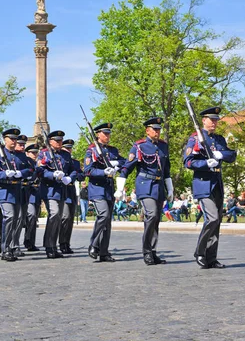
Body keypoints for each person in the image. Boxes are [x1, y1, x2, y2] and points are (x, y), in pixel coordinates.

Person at [183, 107, 237, 269]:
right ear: (203, 120)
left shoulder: (219, 139)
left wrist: (221, 155)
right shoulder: (195, 139)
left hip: (217, 183)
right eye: (211, 119)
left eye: (216, 120)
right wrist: (205, 163)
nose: (214, 122)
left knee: (217, 222)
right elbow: (188, 162)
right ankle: (200, 252)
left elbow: (231, 155)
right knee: (212, 218)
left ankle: (211, 258)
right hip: (203, 183)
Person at [117, 117, 172, 265]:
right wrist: (120, 187)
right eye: (154, 129)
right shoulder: (139, 146)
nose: (157, 132)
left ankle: (153, 251)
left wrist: (170, 186)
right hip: (145, 184)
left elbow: (166, 168)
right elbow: (127, 167)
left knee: (156, 220)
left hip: (159, 186)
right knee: (151, 214)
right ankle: (146, 251)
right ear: (147, 130)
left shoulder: (163, 146)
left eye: (159, 129)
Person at [0, 128, 38, 262]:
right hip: (4, 191)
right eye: (11, 139)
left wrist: (21, 173)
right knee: (9, 217)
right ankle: (5, 249)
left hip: (17, 190)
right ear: (5, 139)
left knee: (16, 220)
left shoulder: (20, 155)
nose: (14, 141)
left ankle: (11, 246)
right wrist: (4, 174)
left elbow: (31, 168)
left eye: (15, 139)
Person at [84, 122, 125, 262]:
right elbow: (88, 170)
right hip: (97, 188)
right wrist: (103, 172)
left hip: (109, 188)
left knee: (107, 221)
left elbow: (124, 162)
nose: (107, 135)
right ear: (98, 134)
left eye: (109, 133)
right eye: (105, 133)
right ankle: (93, 244)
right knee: (103, 215)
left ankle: (104, 252)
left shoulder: (113, 150)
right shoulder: (91, 150)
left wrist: (116, 165)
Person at [39, 130, 76, 259]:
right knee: (54, 214)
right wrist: (52, 175)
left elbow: (73, 170)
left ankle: (53, 246)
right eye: (57, 140)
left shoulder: (66, 155)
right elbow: (40, 171)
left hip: (62, 191)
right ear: (50, 141)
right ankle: (49, 246)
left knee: (58, 218)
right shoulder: (43, 154)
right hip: (49, 190)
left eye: (61, 140)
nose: (60, 142)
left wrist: (70, 178)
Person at [59, 139, 84, 255]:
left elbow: (81, 175)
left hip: (71, 190)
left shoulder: (75, 162)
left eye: (70, 148)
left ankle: (66, 243)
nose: (69, 150)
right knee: (65, 217)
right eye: (66, 148)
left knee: (70, 220)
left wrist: (74, 176)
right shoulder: (59, 160)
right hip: (62, 190)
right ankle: (61, 243)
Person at [24, 143, 42, 252]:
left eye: (36, 152)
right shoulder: (26, 163)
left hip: (37, 194)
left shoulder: (38, 163)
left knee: (34, 219)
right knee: (31, 215)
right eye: (32, 152)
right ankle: (27, 240)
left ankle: (30, 242)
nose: (35, 154)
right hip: (28, 193)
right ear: (27, 153)